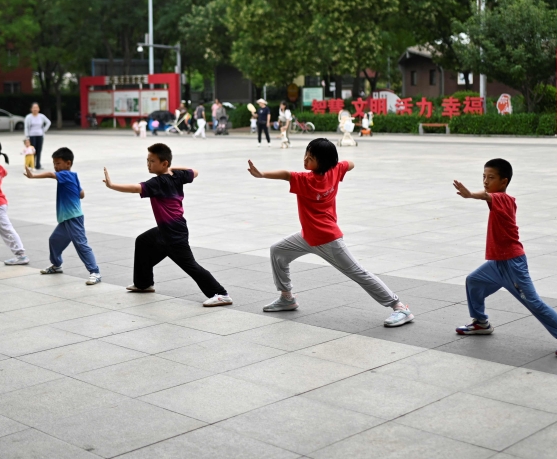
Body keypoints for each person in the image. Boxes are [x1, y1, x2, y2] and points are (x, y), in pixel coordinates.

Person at [247, 138, 414, 327]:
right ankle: (287, 298)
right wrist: (339, 166)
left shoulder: (306, 179)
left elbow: (286, 174)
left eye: (311, 158)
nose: (305, 160)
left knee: (358, 273)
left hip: (328, 239)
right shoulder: (335, 170)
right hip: (307, 236)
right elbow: (350, 163)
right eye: (306, 154)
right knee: (278, 251)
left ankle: (400, 307)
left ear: (323, 162)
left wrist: (262, 174)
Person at [453, 158, 557, 358]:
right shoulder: (497, 199)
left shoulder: (504, 199)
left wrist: (470, 194)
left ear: (504, 182)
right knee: (473, 281)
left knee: (533, 302)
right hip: (497, 264)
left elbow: (486, 196)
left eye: (491, 177)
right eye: (483, 177)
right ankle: (481, 323)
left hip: (513, 264)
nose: (485, 181)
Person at [103, 143, 232, 307]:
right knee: (143, 241)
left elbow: (136, 188)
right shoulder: (177, 175)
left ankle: (220, 293)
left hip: (173, 233)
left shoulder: (157, 183)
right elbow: (195, 172)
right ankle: (143, 284)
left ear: (163, 163)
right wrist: (171, 167)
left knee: (190, 265)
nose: (148, 164)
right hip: (168, 229)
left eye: (152, 161)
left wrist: (112, 185)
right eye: (147, 160)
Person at [26, 147, 101, 285]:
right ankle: (56, 265)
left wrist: (33, 176)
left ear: (68, 163)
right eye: (54, 163)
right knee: (54, 240)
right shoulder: (73, 176)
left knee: (81, 244)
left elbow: (50, 174)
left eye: (58, 163)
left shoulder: (65, 175)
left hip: (73, 217)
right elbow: (82, 194)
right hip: (66, 218)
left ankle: (95, 272)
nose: (55, 167)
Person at [24, 103, 52, 169]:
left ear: (39, 109)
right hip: (32, 136)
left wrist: (44, 130)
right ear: (31, 109)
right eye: (34, 108)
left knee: (39, 150)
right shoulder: (28, 117)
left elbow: (48, 122)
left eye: (36, 108)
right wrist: (27, 137)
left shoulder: (41, 116)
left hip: (40, 135)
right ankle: (31, 164)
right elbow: (26, 127)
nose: (35, 109)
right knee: (32, 151)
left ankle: (38, 165)